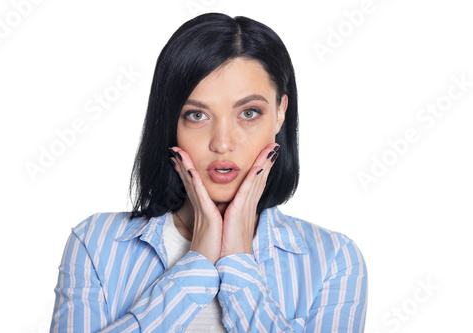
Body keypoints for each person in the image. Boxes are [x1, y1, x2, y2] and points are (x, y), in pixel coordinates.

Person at [50, 12, 368, 332]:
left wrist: (239, 265)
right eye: (197, 114)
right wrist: (196, 266)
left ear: (281, 113)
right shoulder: (96, 242)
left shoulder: (332, 259)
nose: (222, 143)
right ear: (171, 121)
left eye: (249, 112)